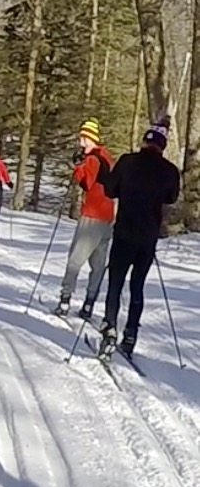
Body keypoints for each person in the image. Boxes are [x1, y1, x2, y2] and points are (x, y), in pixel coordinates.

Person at [97, 117, 180, 357]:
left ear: (144, 141)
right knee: (137, 286)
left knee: (115, 283)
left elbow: (110, 190)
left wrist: (106, 173)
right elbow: (171, 198)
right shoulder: (169, 171)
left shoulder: (127, 162)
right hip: (147, 238)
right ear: (162, 147)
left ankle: (110, 327)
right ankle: (130, 334)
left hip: (124, 232)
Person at [54, 118, 114, 319]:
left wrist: (77, 167)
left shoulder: (92, 159)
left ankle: (64, 300)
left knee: (75, 261)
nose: (80, 141)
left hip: (92, 216)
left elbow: (86, 182)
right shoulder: (107, 157)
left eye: (83, 137)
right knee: (98, 263)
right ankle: (89, 303)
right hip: (107, 217)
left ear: (89, 138)